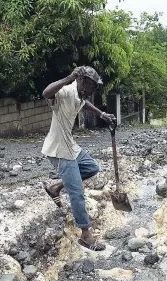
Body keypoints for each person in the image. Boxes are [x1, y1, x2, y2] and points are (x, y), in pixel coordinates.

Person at [42, 66, 116, 251]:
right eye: (93, 86)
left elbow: (84, 105)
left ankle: (55, 187)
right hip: (59, 150)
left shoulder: (80, 95)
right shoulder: (65, 91)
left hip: (71, 147)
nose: (94, 91)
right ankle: (85, 236)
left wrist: (102, 114)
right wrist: (69, 77)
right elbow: (46, 93)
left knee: (92, 167)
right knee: (77, 192)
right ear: (82, 81)